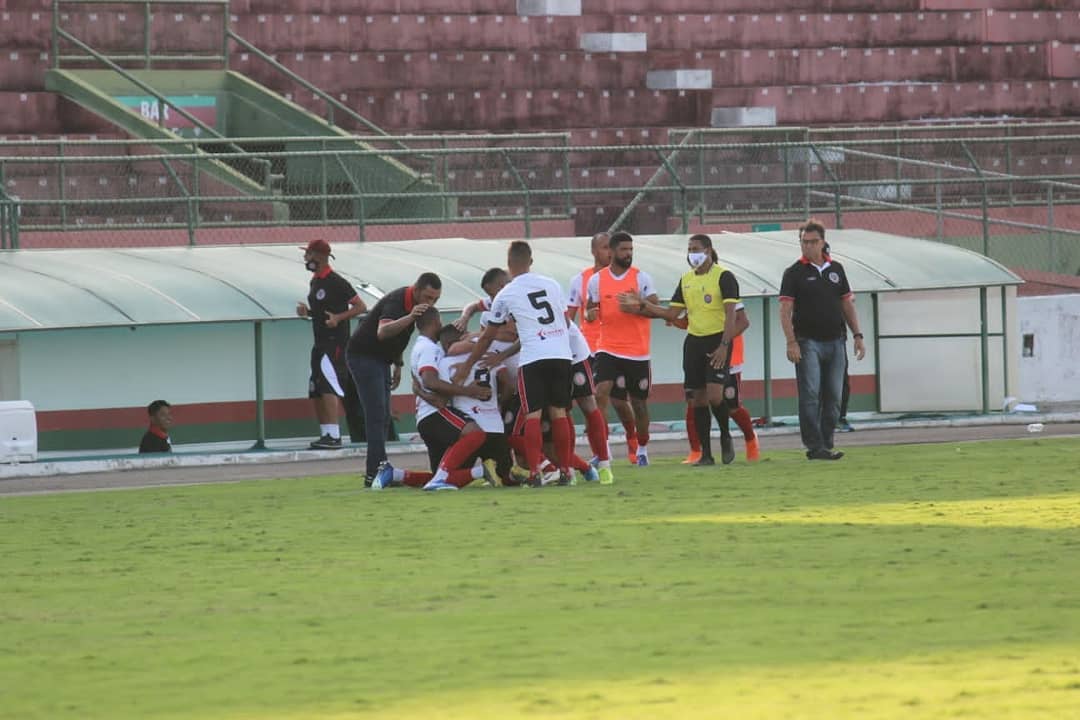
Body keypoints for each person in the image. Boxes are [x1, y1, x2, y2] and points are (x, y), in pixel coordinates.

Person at [621, 233, 759, 466]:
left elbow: (732, 316)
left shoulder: (724, 277)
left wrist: (725, 345)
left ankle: (725, 435)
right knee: (697, 399)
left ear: (707, 250)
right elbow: (671, 314)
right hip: (694, 343)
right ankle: (705, 453)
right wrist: (643, 304)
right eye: (689, 249)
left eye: (695, 248)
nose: (691, 253)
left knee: (717, 396)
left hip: (717, 341)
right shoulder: (686, 280)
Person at [454, 240, 575, 487]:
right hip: (561, 355)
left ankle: (534, 474)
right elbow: (566, 321)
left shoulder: (506, 294)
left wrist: (468, 366)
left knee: (533, 415)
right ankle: (565, 470)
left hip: (533, 358)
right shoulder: (551, 284)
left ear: (508, 265)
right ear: (531, 261)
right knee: (559, 413)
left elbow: (488, 335)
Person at [372, 307, 495, 491]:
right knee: (475, 434)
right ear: (435, 322)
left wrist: (420, 393)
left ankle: (395, 474)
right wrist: (469, 391)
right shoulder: (429, 348)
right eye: (439, 322)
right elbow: (430, 381)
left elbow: (424, 383)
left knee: (441, 473)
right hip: (435, 413)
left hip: (426, 415)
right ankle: (445, 478)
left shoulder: (420, 347)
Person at [779, 220, 866, 461]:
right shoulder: (794, 273)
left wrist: (858, 335)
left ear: (823, 242)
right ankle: (814, 445)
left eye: (812, 242)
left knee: (834, 396)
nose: (807, 246)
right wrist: (791, 341)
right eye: (804, 242)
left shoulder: (836, 269)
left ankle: (826, 442)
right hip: (807, 342)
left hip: (836, 341)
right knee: (810, 394)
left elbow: (846, 304)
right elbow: (785, 310)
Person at [347, 272, 442, 486]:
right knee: (376, 414)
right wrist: (410, 316)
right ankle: (375, 473)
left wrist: (397, 363)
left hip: (382, 359)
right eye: (428, 297)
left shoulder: (416, 306)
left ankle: (380, 468)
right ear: (416, 290)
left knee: (382, 416)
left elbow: (400, 338)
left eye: (435, 299)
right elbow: (383, 332)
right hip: (364, 355)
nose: (431, 303)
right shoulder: (398, 301)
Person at [586, 231, 659, 467]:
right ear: (613, 251)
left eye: (631, 250)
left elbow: (656, 309)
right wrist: (590, 314)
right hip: (607, 348)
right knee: (600, 393)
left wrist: (639, 306)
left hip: (637, 352)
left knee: (638, 404)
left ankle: (643, 448)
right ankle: (602, 450)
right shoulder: (597, 280)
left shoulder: (642, 278)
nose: (628, 254)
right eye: (623, 250)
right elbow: (590, 307)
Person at [567, 232, 640, 463]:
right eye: (605, 247)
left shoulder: (629, 277)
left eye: (612, 247)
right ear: (594, 251)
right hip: (590, 349)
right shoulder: (581, 280)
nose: (609, 252)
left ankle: (632, 437)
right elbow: (568, 316)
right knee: (598, 398)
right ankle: (602, 451)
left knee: (620, 401)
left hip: (618, 345)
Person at [296, 239, 367, 450]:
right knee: (316, 388)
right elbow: (320, 312)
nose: (305, 258)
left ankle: (335, 435)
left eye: (308, 254)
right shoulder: (315, 281)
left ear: (319, 256)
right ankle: (327, 433)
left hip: (334, 343)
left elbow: (360, 306)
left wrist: (338, 317)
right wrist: (307, 313)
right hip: (319, 341)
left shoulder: (336, 281)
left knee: (328, 385)